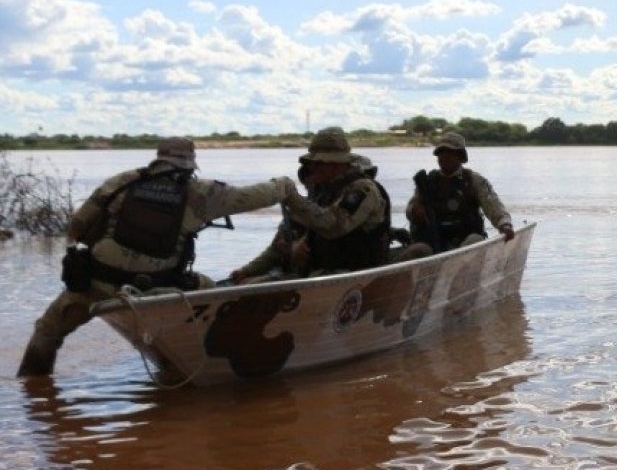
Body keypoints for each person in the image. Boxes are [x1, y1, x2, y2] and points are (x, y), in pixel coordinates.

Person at [17, 137, 294, 376]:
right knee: (212, 292)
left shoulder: (121, 183)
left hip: (96, 284)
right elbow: (256, 196)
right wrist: (283, 185)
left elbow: (77, 228)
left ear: (158, 158)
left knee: (48, 330)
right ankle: (204, 368)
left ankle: (34, 394)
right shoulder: (203, 193)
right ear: (190, 163)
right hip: (158, 290)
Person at [279, 127, 394, 276]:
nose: (312, 168)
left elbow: (332, 225)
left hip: (361, 276)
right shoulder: (326, 192)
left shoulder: (363, 188)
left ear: (336, 164)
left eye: (318, 163)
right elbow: (310, 230)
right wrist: (294, 247)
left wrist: (292, 198)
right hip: (326, 272)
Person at [398, 132, 515, 260]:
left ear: (460, 156)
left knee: (474, 241)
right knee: (417, 250)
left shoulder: (474, 180)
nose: (445, 156)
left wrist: (504, 224)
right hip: (432, 243)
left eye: (450, 152)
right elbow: (411, 209)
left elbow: (493, 205)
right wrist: (414, 210)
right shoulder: (427, 183)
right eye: (441, 152)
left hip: (464, 241)